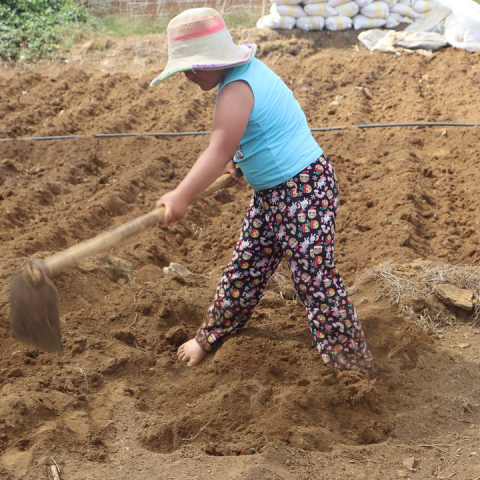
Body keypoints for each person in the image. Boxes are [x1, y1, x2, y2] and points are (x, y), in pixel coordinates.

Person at [153, 8, 378, 381]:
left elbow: (218, 148)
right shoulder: (244, 77)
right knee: (246, 266)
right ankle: (210, 336)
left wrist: (182, 195)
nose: (188, 76)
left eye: (192, 67)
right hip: (275, 194)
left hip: (302, 190)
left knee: (314, 277)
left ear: (215, 59)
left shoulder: (237, 88)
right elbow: (265, 131)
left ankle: (351, 365)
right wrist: (240, 165)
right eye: (183, 69)